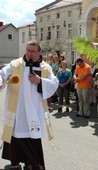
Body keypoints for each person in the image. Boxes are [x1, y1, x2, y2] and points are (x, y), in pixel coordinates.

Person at [0, 40, 59, 170]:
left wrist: (40, 81)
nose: (30, 53)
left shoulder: (45, 68)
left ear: (39, 53)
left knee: (33, 137)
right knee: (16, 136)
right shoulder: (15, 64)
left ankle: (32, 164)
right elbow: (2, 74)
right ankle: (15, 163)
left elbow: (54, 84)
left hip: (35, 111)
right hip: (18, 110)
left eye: (33, 51)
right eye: (28, 50)